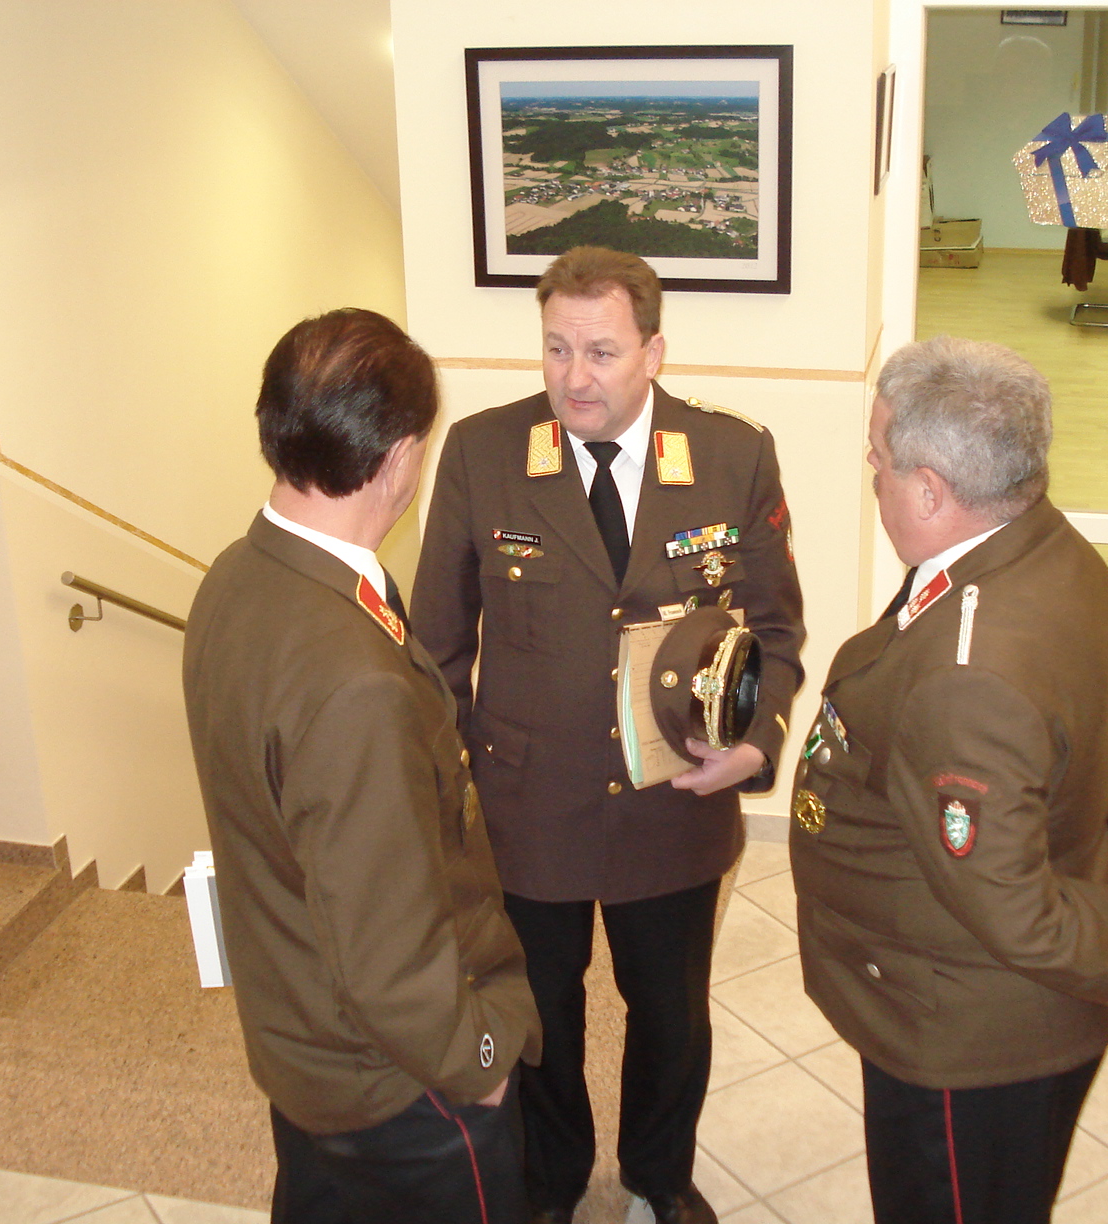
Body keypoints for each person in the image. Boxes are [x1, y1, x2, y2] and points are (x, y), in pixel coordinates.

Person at [412, 247, 805, 1224]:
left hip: (674, 802)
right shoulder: (483, 453)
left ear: (652, 353)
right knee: (538, 1015)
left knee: (670, 1014)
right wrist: (452, 802)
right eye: (556, 349)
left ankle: (658, 1177)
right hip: (526, 808)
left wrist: (756, 743)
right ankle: (550, 1184)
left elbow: (776, 631)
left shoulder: (732, 454)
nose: (574, 377)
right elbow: (437, 650)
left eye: (600, 352)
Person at [789, 335, 1108, 1224]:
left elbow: (1015, 909)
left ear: (930, 492)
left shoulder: (965, 678)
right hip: (1007, 1019)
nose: (870, 469)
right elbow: (1077, 726)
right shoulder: (1048, 550)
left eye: (879, 455)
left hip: (965, 1040)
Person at [183, 309, 541, 1224]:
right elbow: (390, 958)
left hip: (301, 1045)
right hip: (398, 1090)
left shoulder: (234, 579)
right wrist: (480, 1065)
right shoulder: (356, 682)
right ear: (400, 459)